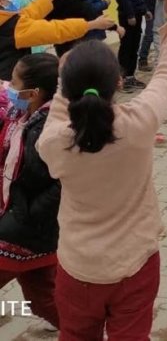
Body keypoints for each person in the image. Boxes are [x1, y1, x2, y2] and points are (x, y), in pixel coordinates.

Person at [37, 0, 167, 340]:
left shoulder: (54, 141)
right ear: (118, 81)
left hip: (77, 266)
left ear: (66, 87)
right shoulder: (138, 124)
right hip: (135, 263)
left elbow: (61, 110)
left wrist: (64, 79)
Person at [0, 53, 61, 330]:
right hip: (23, 224)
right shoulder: (21, 115)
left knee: (44, 296)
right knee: (43, 298)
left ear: (34, 93)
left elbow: (60, 184)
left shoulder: (51, 130)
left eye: (15, 82)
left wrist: (25, 216)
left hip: (22, 230)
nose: (9, 87)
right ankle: (84, 332)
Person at [0, 0, 114, 80]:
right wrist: (91, 24)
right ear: (2, 2)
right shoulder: (15, 27)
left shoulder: (6, 18)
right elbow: (56, 30)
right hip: (6, 81)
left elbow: (30, 11)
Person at [114, 0, 148, 91]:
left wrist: (145, 10)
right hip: (128, 15)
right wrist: (130, 14)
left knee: (134, 46)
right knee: (126, 46)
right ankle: (121, 78)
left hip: (138, 14)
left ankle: (130, 76)